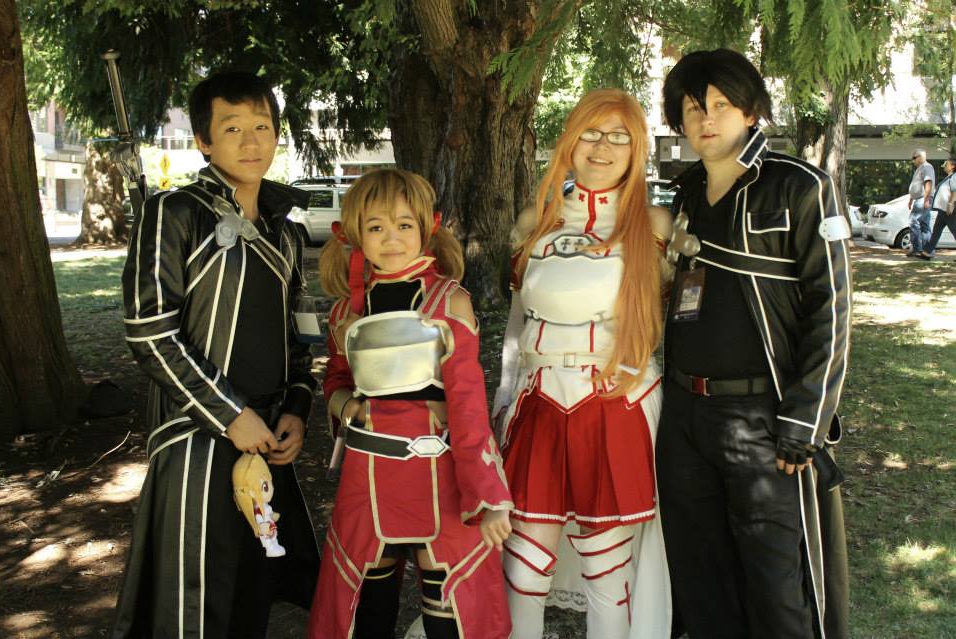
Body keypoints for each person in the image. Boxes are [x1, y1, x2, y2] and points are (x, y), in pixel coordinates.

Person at [112, 71, 320, 639]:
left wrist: (297, 409)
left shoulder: (285, 230)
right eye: (232, 129)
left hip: (267, 437)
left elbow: (298, 336)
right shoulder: (173, 213)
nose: (252, 142)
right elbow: (150, 333)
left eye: (262, 127)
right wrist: (230, 414)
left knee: (253, 594)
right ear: (203, 140)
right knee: (195, 604)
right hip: (196, 442)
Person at [657, 48, 851, 639]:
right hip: (683, 416)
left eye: (721, 104)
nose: (706, 118)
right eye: (694, 107)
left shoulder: (800, 186)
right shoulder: (685, 194)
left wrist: (806, 420)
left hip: (764, 419)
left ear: (750, 111)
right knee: (701, 578)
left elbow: (833, 308)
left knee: (777, 586)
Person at [493, 88, 673, 639]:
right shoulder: (536, 221)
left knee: (608, 573)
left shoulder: (656, 225)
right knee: (523, 570)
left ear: (636, 149)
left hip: (616, 405)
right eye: (591, 133)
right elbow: (517, 325)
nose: (602, 147)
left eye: (619, 136)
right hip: (539, 404)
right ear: (570, 142)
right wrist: (504, 397)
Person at [307, 169, 514, 639]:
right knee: (363, 602)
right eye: (376, 227)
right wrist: (348, 406)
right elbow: (336, 379)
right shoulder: (345, 311)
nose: (391, 238)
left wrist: (487, 495)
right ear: (355, 233)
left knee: (451, 604)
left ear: (426, 227)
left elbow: (467, 405)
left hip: (441, 474)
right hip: (368, 475)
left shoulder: (450, 302)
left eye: (404, 224)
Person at [918, 156, 956, 260]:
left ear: (953, 166)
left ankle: (927, 251)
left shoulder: (954, 176)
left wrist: (950, 205)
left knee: (954, 230)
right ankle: (927, 252)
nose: (945, 165)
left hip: (949, 210)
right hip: (943, 210)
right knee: (936, 231)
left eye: (947, 164)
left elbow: (954, 191)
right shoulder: (949, 177)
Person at [907, 148, 936, 257]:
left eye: (914, 157)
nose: (913, 160)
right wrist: (911, 199)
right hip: (919, 198)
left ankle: (917, 249)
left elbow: (928, 183)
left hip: (923, 199)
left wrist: (926, 200)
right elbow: (916, 186)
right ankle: (928, 251)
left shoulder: (926, 167)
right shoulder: (919, 169)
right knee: (924, 226)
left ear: (920, 157)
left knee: (913, 221)